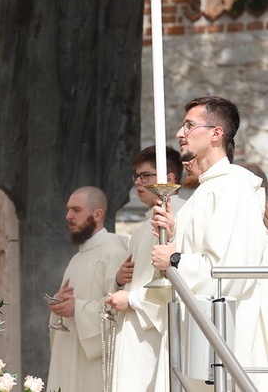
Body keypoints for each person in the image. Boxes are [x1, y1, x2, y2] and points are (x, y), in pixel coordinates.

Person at [151, 96, 268, 390]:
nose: (180, 133)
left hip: (226, 340)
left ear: (216, 133)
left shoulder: (232, 188)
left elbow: (229, 274)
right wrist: (174, 231)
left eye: (189, 125)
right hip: (199, 340)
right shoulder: (206, 191)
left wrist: (175, 259)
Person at [105, 145, 184, 391]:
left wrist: (133, 299)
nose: (138, 183)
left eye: (146, 176)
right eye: (136, 176)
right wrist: (119, 281)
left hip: (155, 333)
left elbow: (178, 279)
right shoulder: (143, 228)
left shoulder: (179, 216)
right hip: (136, 329)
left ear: (169, 179)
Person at [46, 186, 128, 392]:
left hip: (94, 362)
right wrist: (59, 303)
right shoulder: (78, 257)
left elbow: (120, 308)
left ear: (97, 214)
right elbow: (71, 303)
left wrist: (78, 308)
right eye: (68, 210)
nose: (68, 216)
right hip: (70, 352)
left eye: (76, 210)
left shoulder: (113, 251)